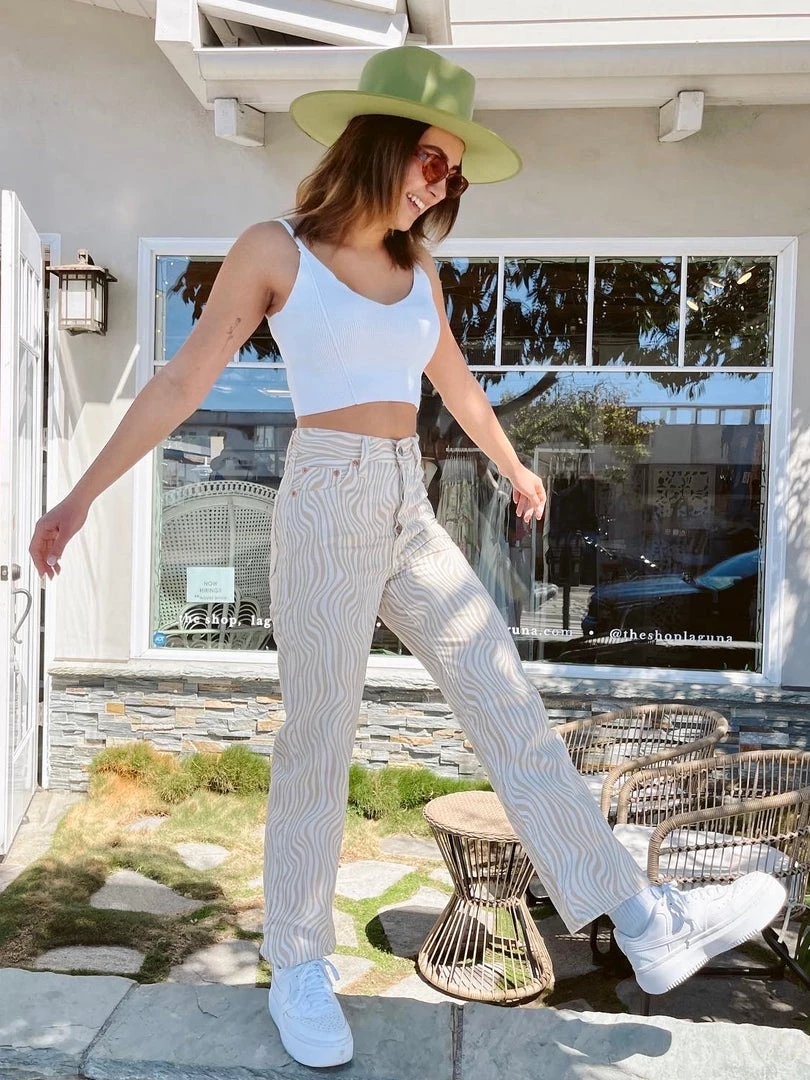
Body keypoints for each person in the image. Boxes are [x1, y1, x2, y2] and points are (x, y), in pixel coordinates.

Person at [30, 45, 786, 1072]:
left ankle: (645, 921)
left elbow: (459, 385)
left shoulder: (418, 271)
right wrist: (79, 497)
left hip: (406, 501)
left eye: (455, 175)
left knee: (507, 702)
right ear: (380, 145)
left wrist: (515, 466)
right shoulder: (277, 250)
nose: (443, 185)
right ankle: (300, 963)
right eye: (434, 161)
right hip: (324, 499)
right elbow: (180, 381)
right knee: (318, 739)